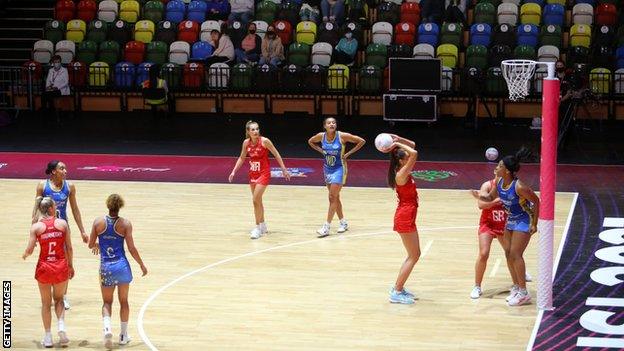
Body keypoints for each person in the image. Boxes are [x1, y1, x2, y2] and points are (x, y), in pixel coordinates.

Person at [471, 147, 540, 306]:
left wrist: (534, 223)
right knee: (509, 254)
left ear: (507, 171)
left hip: (523, 219)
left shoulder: (519, 186)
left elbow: (536, 201)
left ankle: (524, 292)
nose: (497, 167)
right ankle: (516, 287)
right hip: (511, 219)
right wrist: (479, 195)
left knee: (516, 254)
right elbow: (489, 197)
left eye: (500, 165)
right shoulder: (500, 182)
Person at [88, 194, 147, 348]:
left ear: (108, 205)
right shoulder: (125, 224)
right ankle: (123, 335)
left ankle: (107, 329)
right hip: (121, 266)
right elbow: (132, 248)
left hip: (106, 267)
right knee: (124, 302)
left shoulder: (97, 222)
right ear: (120, 206)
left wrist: (97, 246)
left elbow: (90, 244)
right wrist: (141, 264)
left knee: (107, 302)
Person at [33, 160, 87, 310]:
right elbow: (36, 209)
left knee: (65, 260)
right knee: (48, 259)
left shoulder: (70, 187)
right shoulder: (42, 186)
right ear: (53, 171)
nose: (65, 171)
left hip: (62, 228)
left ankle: (63, 296)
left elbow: (75, 209)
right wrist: (33, 230)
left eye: (65, 168)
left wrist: (82, 230)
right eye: (61, 168)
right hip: (46, 228)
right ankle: (48, 293)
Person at [23, 197, 74, 348]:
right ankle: (61, 327)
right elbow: (69, 248)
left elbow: (30, 249)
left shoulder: (36, 227)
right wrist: (70, 265)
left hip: (44, 267)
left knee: (46, 304)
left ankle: (48, 337)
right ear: (52, 208)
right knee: (59, 300)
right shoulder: (62, 224)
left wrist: (25, 254)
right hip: (60, 266)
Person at [229, 121, 291, 239]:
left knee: (255, 200)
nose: (256, 131)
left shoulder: (265, 141)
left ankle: (257, 228)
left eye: (257, 129)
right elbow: (242, 158)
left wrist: (284, 169)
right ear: (248, 132)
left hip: (264, 173)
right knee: (258, 202)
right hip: (253, 174)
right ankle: (263, 225)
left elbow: (276, 154)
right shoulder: (246, 143)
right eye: (253, 130)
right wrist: (233, 171)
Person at [307, 117, 365, 238]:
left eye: (334, 122)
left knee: (332, 197)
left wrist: (348, 154)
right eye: (329, 123)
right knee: (335, 197)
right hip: (327, 169)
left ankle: (326, 226)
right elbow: (310, 141)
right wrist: (320, 150)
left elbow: (361, 141)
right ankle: (343, 222)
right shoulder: (320, 136)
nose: (332, 124)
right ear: (325, 126)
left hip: (339, 168)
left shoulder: (342, 136)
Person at [385, 135, 419, 304]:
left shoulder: (401, 167)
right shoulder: (401, 173)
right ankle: (396, 292)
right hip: (404, 217)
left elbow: (412, 145)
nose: (409, 156)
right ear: (401, 161)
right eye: (406, 155)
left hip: (407, 215)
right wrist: (397, 144)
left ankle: (398, 287)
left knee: (413, 254)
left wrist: (399, 139)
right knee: (414, 255)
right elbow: (415, 152)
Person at [469, 176, 509, 299]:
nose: (498, 176)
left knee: (511, 253)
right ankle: (477, 286)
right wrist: (493, 203)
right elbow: (481, 205)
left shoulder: (511, 186)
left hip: (504, 223)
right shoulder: (487, 185)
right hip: (488, 223)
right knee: (483, 253)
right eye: (497, 173)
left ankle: (520, 277)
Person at [42, 55, 70, 121]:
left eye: (58, 62)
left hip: (61, 89)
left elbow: (66, 82)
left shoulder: (64, 70)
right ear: (53, 63)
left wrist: (57, 87)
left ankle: (49, 111)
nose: (57, 63)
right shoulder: (51, 70)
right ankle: (46, 110)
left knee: (46, 95)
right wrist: (47, 87)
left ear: (60, 62)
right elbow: (48, 80)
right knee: (44, 94)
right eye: (55, 62)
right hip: (52, 89)